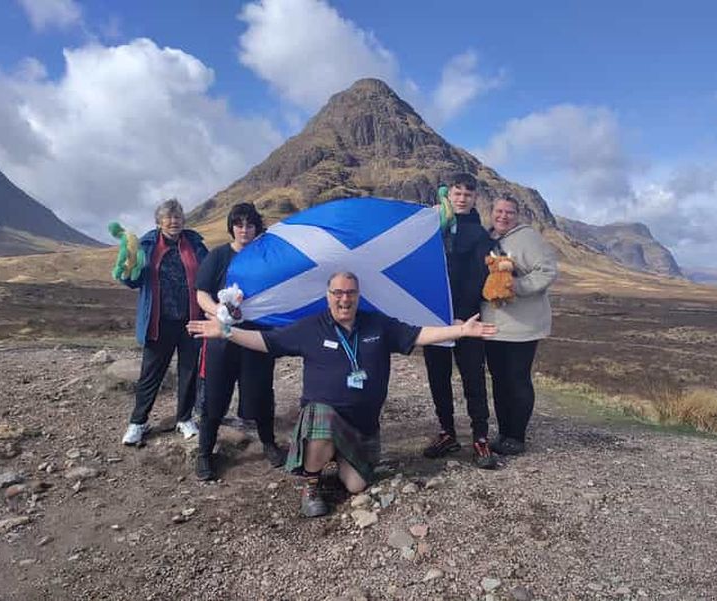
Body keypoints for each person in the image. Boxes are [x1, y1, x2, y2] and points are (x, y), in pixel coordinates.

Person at [187, 272, 497, 517]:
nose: (344, 299)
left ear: (358, 296)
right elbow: (267, 341)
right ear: (328, 296)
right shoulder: (310, 327)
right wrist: (226, 331)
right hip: (324, 417)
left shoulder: (378, 324)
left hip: (362, 427)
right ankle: (311, 485)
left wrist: (460, 331)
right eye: (337, 293)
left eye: (350, 293)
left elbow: (419, 334)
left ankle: (335, 454)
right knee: (320, 415)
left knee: (356, 486)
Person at [194, 203, 286, 479]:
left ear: (257, 227)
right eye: (239, 224)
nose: (244, 230)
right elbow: (201, 293)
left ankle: (269, 444)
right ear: (231, 227)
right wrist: (219, 313)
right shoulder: (219, 256)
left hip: (256, 337)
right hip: (221, 338)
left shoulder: (266, 258)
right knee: (214, 395)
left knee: (261, 392)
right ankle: (204, 453)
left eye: (250, 224)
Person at [422, 173, 496, 469]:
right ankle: (447, 433)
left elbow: (479, 278)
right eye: (457, 193)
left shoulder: (479, 235)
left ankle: (480, 438)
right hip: (435, 318)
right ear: (448, 195)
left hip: (468, 319)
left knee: (473, 378)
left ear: (475, 198)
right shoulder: (431, 228)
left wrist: (461, 315)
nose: (462, 198)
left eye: (468, 194)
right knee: (438, 377)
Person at [121, 199, 208, 445]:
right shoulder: (146, 245)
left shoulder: (195, 244)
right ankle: (138, 422)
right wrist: (127, 269)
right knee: (150, 374)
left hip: (191, 320)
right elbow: (133, 281)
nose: (173, 221)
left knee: (188, 372)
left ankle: (185, 418)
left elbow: (210, 273)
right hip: (159, 322)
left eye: (177, 217)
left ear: (183, 220)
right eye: (168, 218)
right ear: (159, 222)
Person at [481, 197, 557, 455]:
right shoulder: (486, 239)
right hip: (493, 325)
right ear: (491, 212)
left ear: (517, 215)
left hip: (523, 327)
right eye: (499, 211)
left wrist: (515, 286)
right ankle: (504, 433)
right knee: (499, 380)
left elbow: (547, 271)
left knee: (517, 379)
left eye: (509, 212)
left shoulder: (529, 238)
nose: (503, 216)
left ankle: (517, 436)